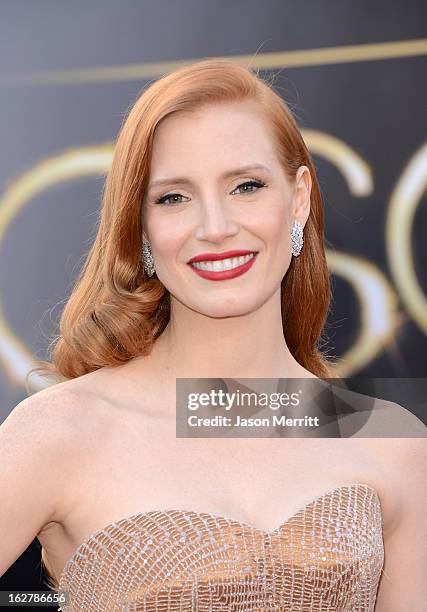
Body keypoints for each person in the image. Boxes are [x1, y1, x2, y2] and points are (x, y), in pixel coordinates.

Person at [0, 58, 425, 611]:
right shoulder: (60, 433)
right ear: (142, 225)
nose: (217, 228)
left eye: (246, 186)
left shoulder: (393, 444)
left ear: (298, 199)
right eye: (173, 197)